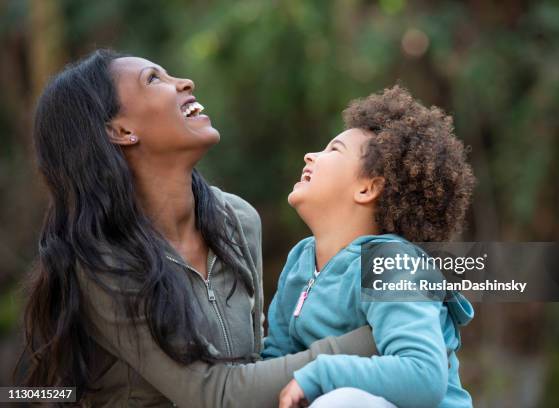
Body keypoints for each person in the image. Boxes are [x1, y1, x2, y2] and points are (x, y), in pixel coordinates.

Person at [17, 49, 378, 407]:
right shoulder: (102, 260)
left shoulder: (236, 220)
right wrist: (376, 340)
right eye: (154, 79)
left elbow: (258, 368)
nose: (185, 82)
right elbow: (214, 394)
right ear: (121, 130)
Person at [262, 86, 476, 408]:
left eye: (333, 150)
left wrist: (319, 373)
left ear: (368, 188)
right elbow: (274, 364)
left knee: (342, 401)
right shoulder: (300, 261)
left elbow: (423, 375)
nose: (310, 156)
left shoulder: (390, 262)